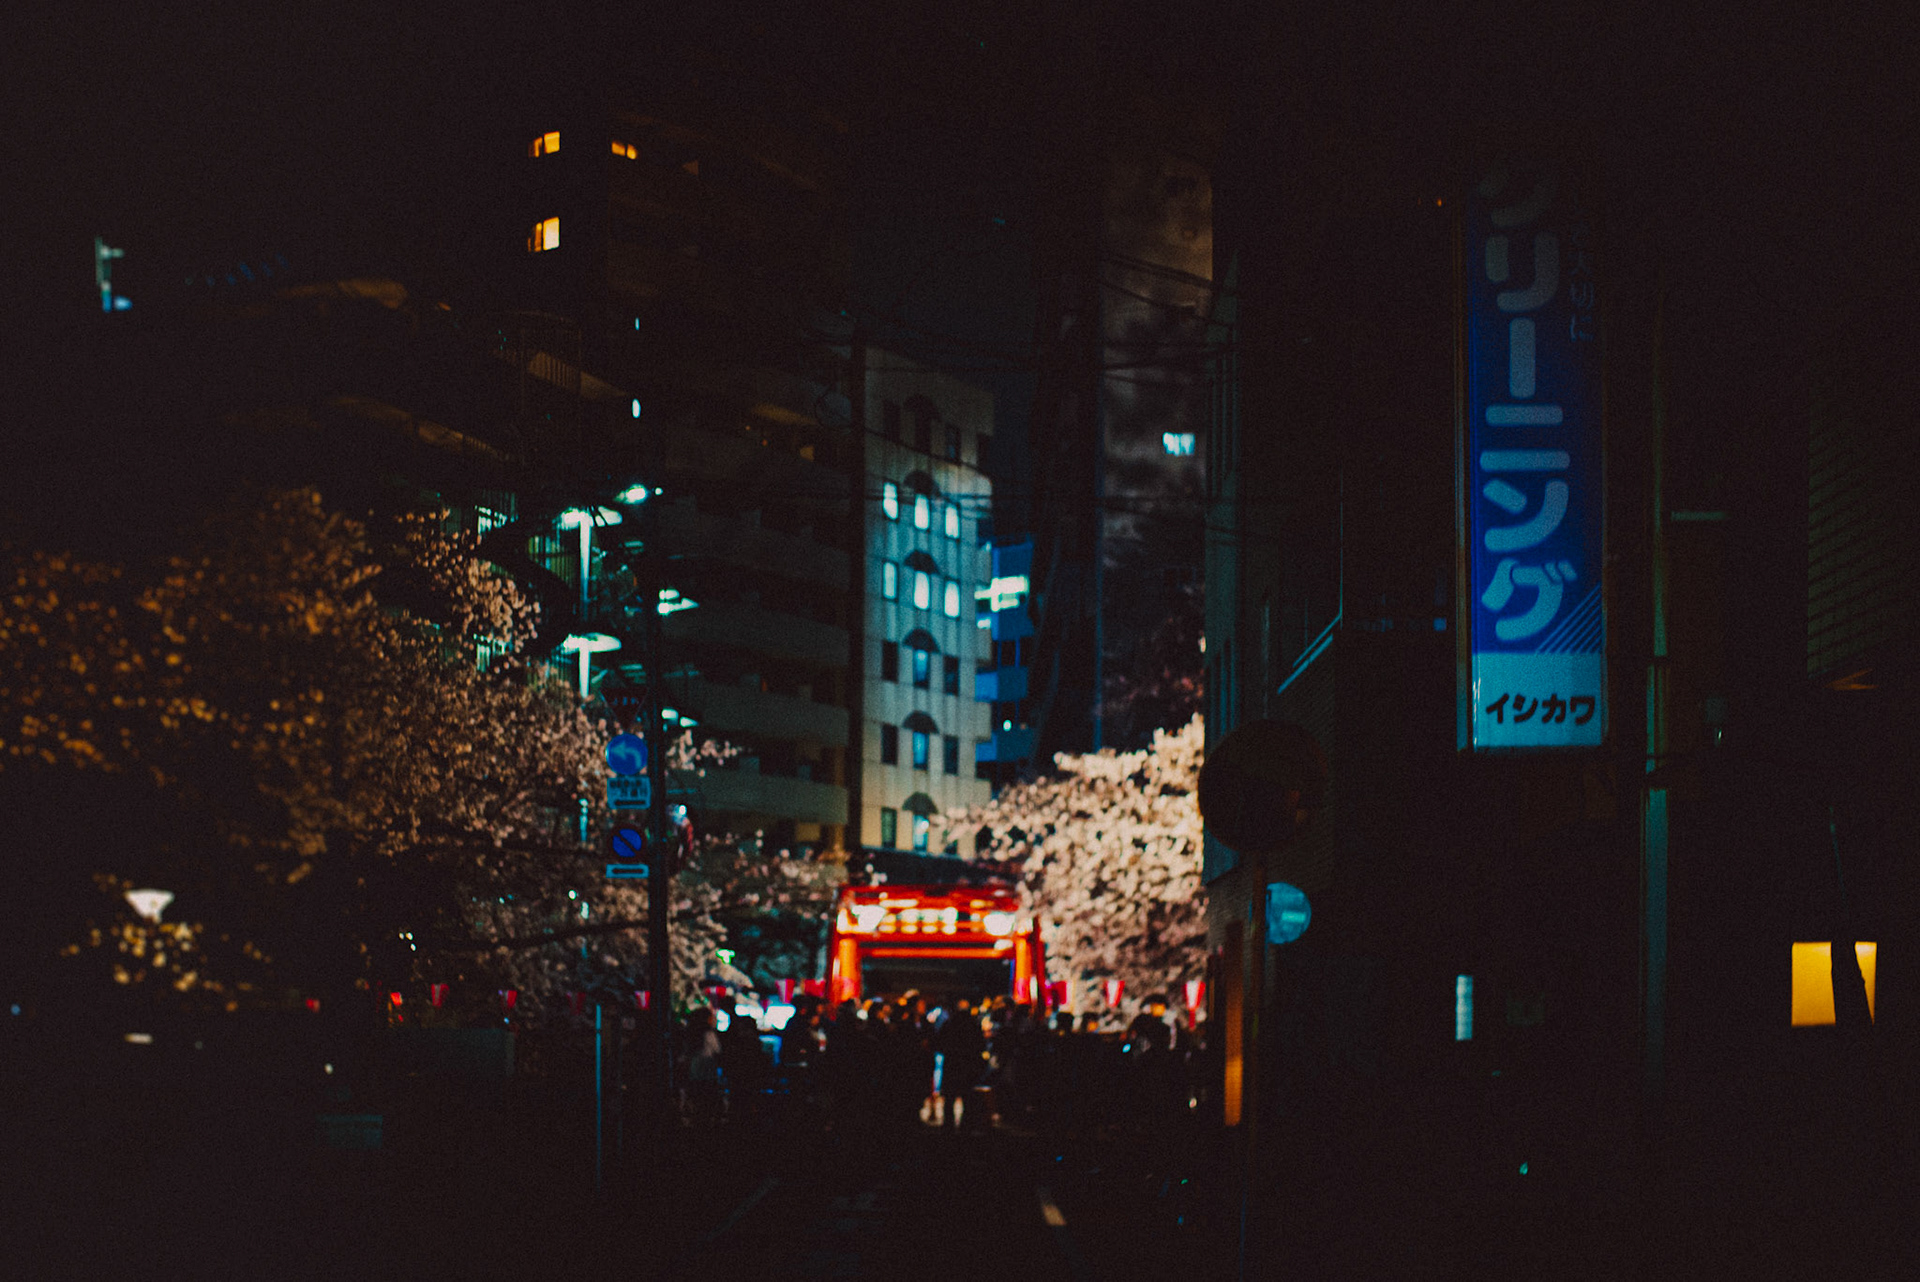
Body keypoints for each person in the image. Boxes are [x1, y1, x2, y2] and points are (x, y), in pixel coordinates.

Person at [680, 1006, 724, 1125]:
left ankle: (697, 1123)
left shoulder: (691, 1034)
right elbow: (717, 1050)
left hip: (695, 1070)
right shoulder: (709, 1034)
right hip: (707, 1069)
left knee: (697, 1098)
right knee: (707, 1099)